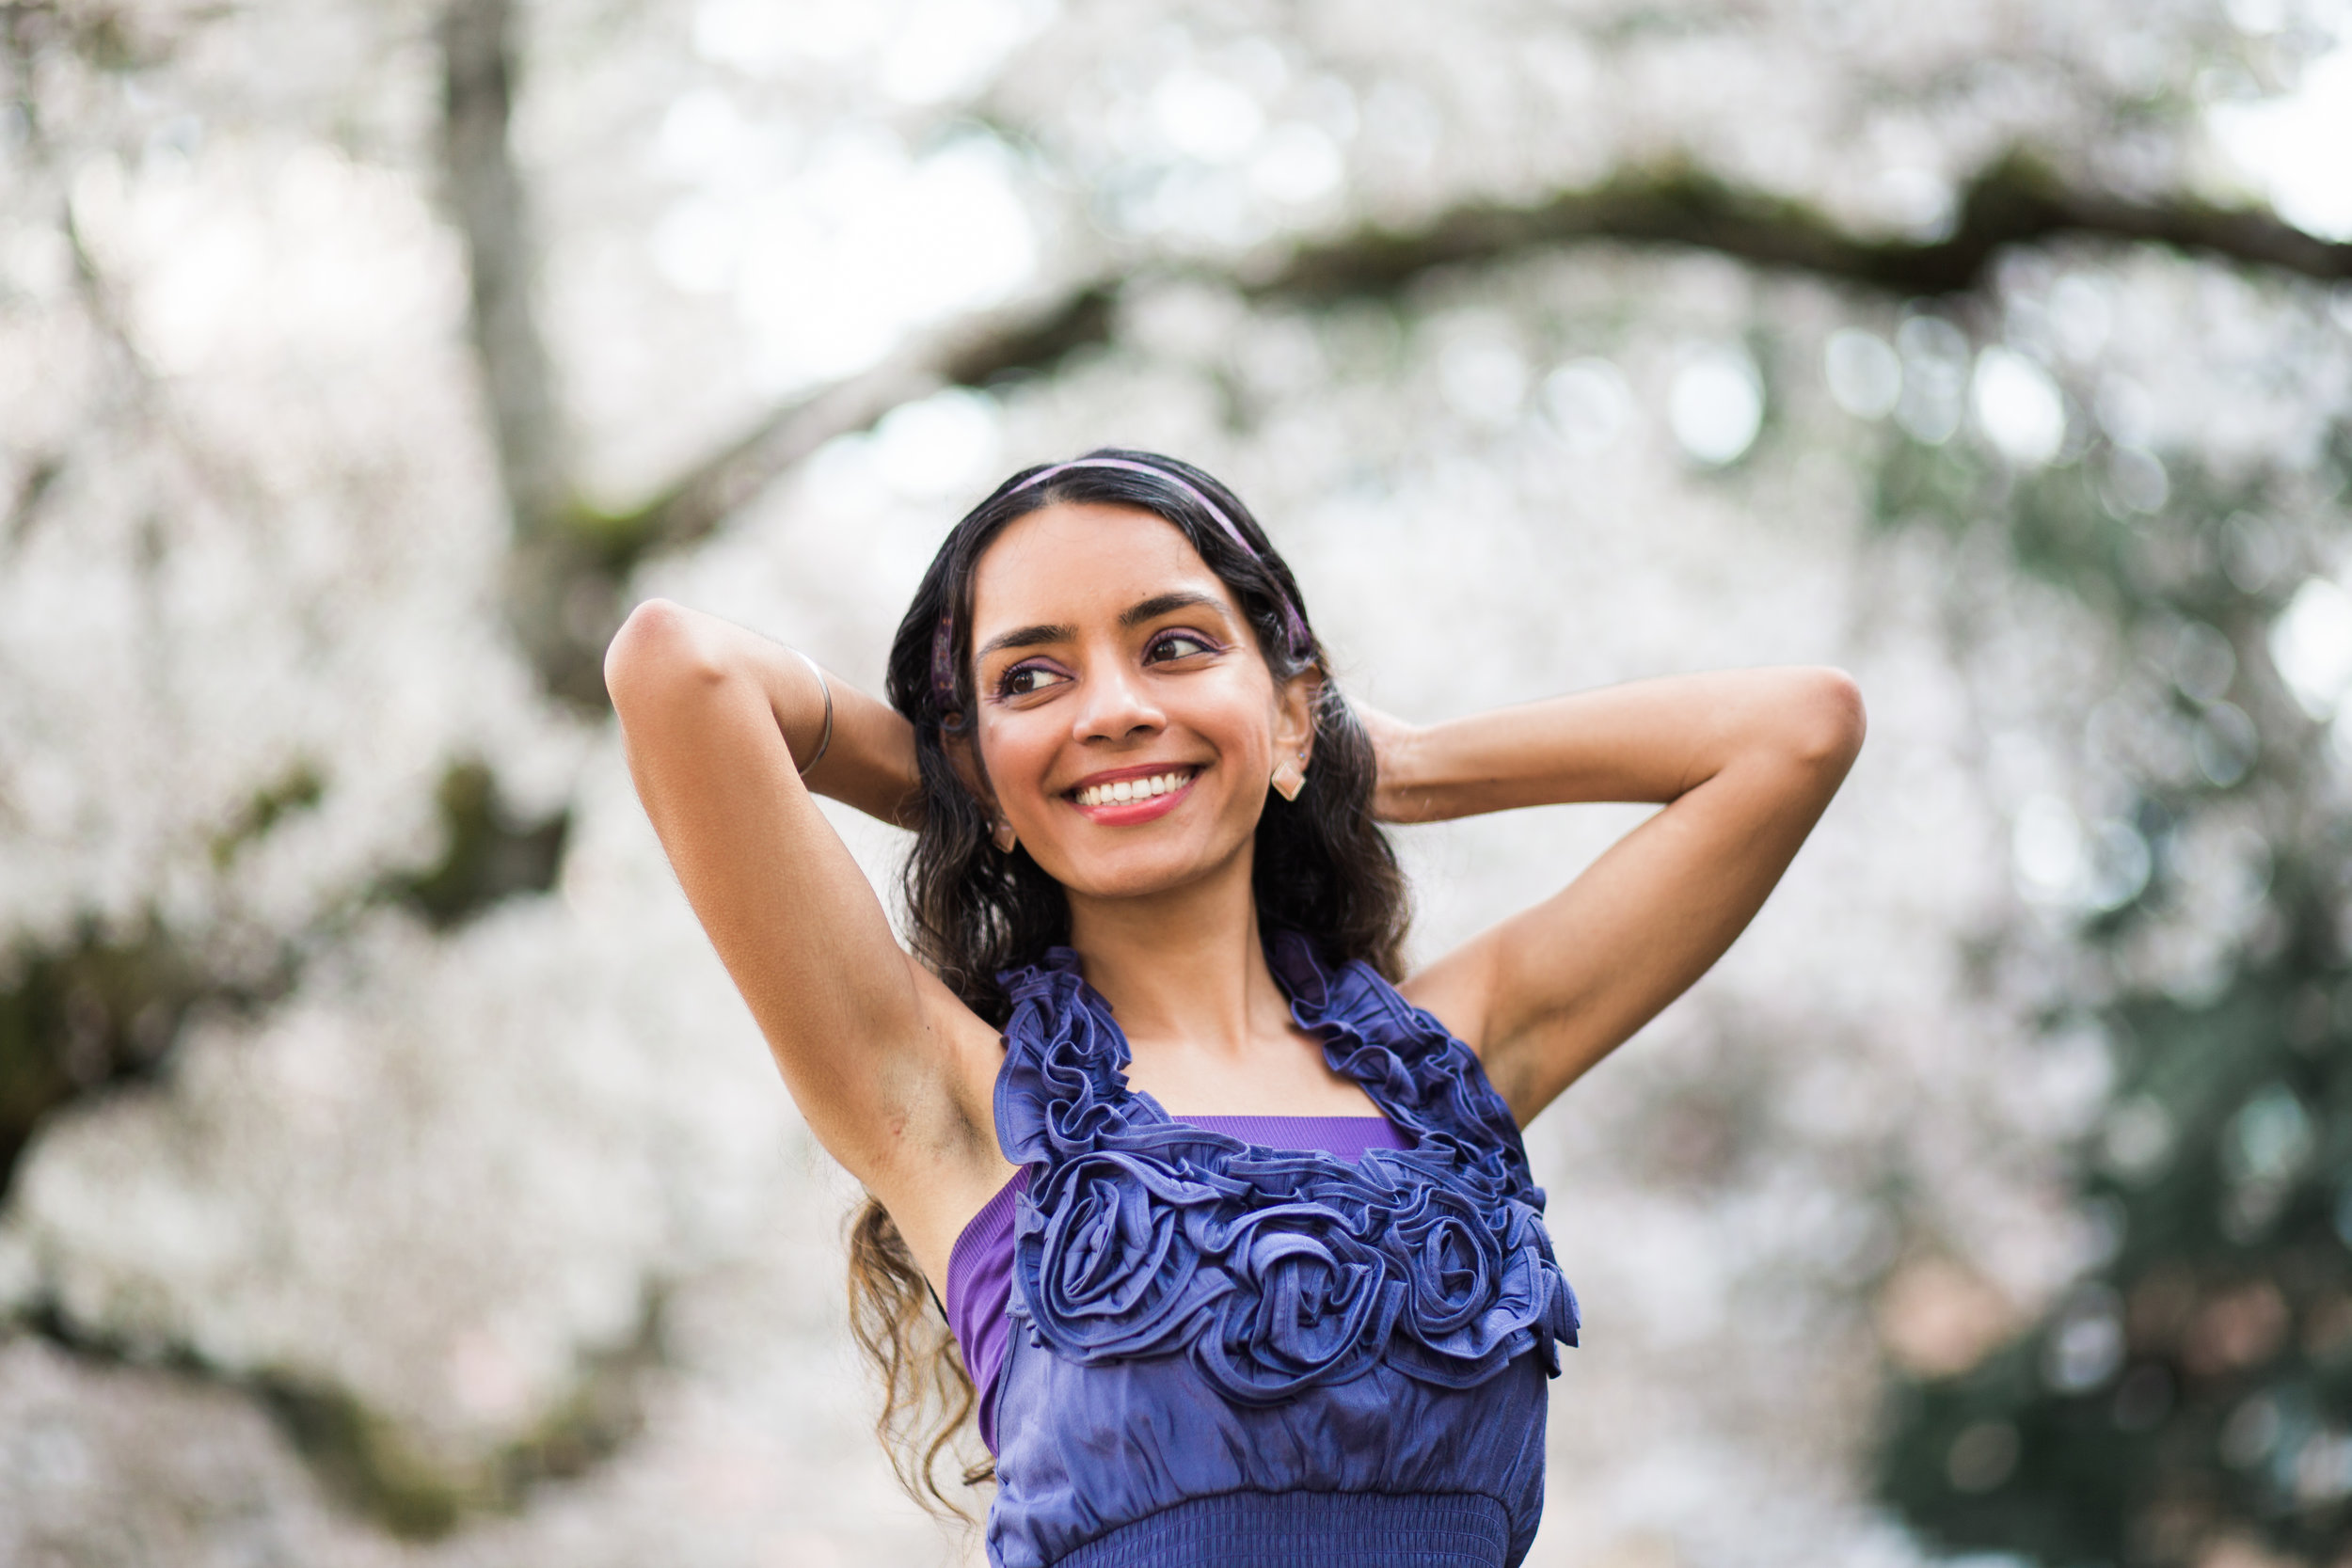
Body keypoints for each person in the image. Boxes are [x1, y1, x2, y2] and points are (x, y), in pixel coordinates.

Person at [603, 450, 1864, 1568]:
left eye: (1174, 646)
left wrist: (1372, 759)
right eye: (1033, 676)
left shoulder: (1448, 1067)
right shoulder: (954, 1106)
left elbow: (1798, 731)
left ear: (1290, 703)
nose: (1113, 705)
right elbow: (681, 667)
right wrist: (982, 787)